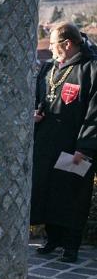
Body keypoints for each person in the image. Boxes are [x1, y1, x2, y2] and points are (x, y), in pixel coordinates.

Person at [32, 22, 97, 263]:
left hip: (76, 148)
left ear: (67, 44)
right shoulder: (49, 68)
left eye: (53, 45)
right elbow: (42, 99)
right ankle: (53, 238)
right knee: (49, 192)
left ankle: (71, 246)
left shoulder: (91, 69)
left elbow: (95, 114)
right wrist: (36, 113)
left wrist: (85, 147)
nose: (50, 50)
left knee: (73, 196)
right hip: (47, 143)